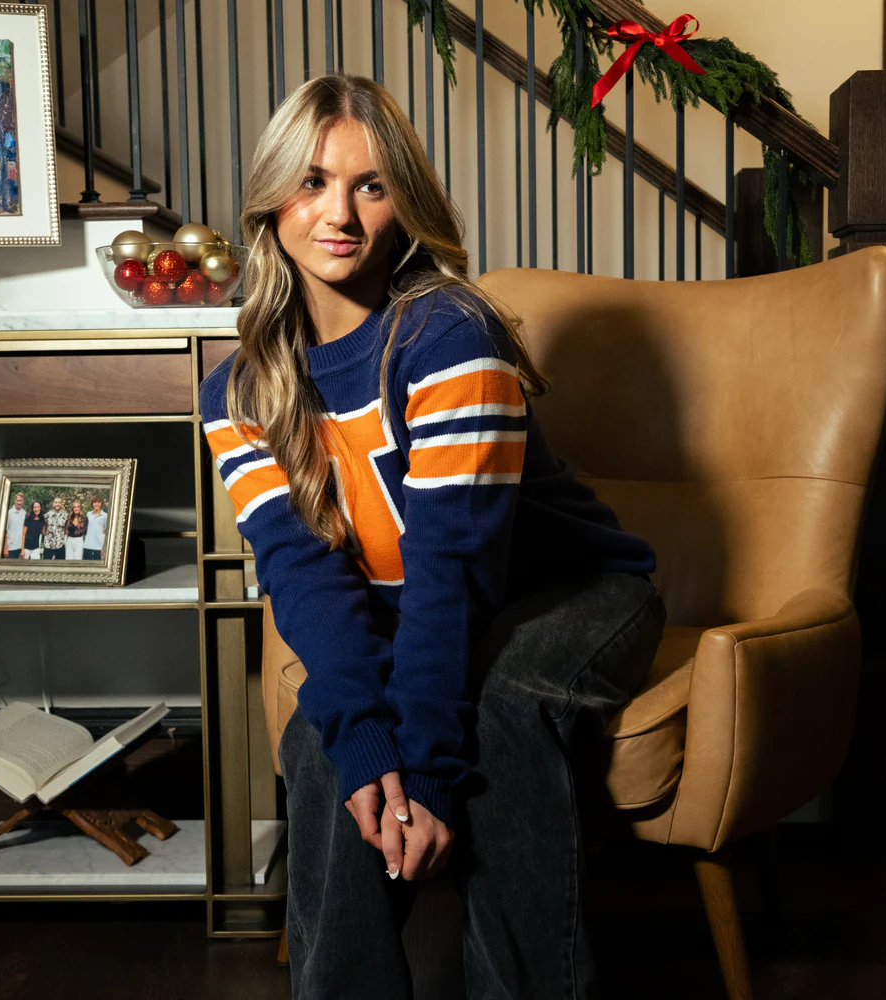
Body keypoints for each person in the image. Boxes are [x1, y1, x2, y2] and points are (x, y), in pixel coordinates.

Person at [199, 73, 666, 1000]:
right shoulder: (237, 393)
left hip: (574, 593)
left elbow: (451, 572)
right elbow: (304, 580)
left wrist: (432, 774)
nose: (340, 215)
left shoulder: (450, 335)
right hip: (416, 609)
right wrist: (370, 744)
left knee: (505, 706)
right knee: (328, 742)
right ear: (272, 200)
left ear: (404, 203)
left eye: (370, 186)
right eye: (312, 182)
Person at [42, 496, 69, 560]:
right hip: (48, 545)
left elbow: (66, 528)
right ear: (53, 503)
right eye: (56, 502)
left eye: (59, 502)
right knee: (46, 564)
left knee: (60, 564)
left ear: (62, 504)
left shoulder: (65, 515)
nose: (57, 504)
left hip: (60, 545)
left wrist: (64, 538)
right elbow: (44, 527)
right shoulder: (47, 515)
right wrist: (47, 536)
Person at [83, 496, 107, 560]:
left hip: (99, 546)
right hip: (88, 545)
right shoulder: (88, 514)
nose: (96, 504)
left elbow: (106, 531)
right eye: (94, 502)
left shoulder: (105, 515)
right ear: (92, 504)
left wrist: (103, 547)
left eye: (98, 502)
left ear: (101, 504)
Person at [3, 492, 27, 559]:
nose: (19, 503)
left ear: (23, 501)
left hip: (20, 547)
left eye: (21, 500)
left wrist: (23, 549)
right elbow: (6, 531)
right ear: (15, 501)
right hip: (10, 547)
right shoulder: (9, 513)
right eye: (18, 500)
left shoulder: (24, 513)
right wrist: (5, 548)